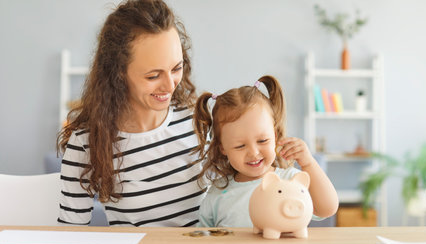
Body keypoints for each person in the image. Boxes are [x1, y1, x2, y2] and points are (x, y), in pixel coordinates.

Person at [57, 0, 206, 227]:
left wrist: (276, 161)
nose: (170, 85)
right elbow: (70, 233)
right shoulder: (87, 142)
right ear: (118, 74)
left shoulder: (200, 121)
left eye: (177, 68)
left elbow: (244, 189)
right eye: (153, 76)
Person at [193, 75, 339, 227]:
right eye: (240, 146)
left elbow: (327, 209)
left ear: (275, 136)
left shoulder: (290, 180)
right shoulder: (217, 192)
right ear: (222, 147)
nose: (254, 153)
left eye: (262, 141)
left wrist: (308, 163)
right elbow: (204, 239)